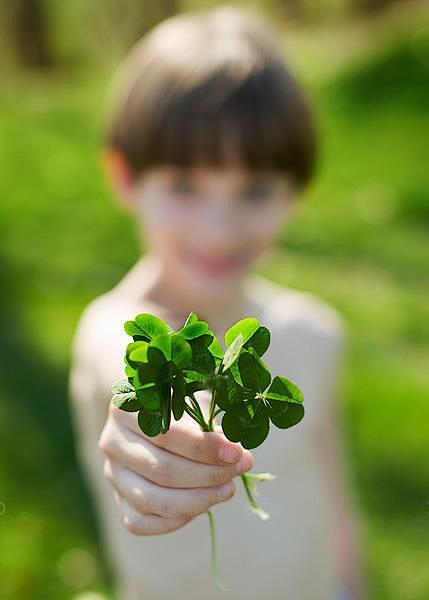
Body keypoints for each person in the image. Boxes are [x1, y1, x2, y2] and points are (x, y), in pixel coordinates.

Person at [68, 6, 366, 600]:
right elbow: (119, 356)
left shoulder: (315, 334)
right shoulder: (112, 327)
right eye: (184, 184)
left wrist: (352, 585)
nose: (219, 226)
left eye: (254, 189)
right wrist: (142, 427)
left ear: (296, 190)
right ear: (126, 178)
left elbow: (335, 500)